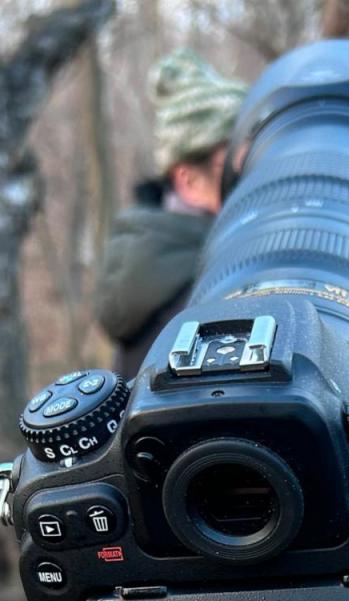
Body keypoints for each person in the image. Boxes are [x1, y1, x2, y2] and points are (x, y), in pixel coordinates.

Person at [94, 51, 247, 379]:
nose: (250, 174)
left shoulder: (162, 263)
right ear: (189, 180)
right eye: (234, 162)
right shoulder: (198, 284)